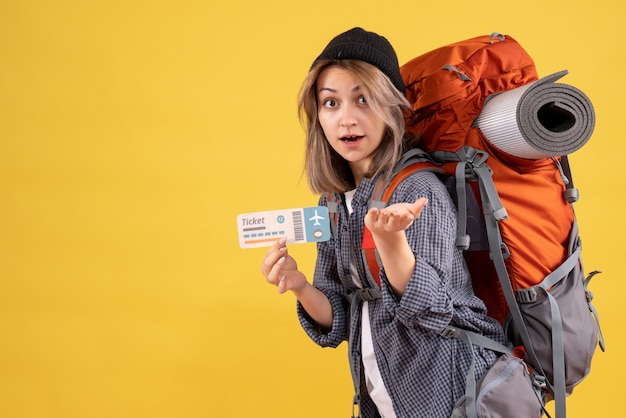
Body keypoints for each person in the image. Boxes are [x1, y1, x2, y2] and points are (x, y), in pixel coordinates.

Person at [260, 27, 505, 418]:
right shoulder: (334, 204)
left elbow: (433, 311)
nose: (347, 119)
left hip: (451, 392)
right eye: (331, 103)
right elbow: (338, 318)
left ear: (392, 107)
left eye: (363, 99)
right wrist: (300, 286)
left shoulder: (417, 189)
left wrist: (391, 243)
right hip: (382, 395)